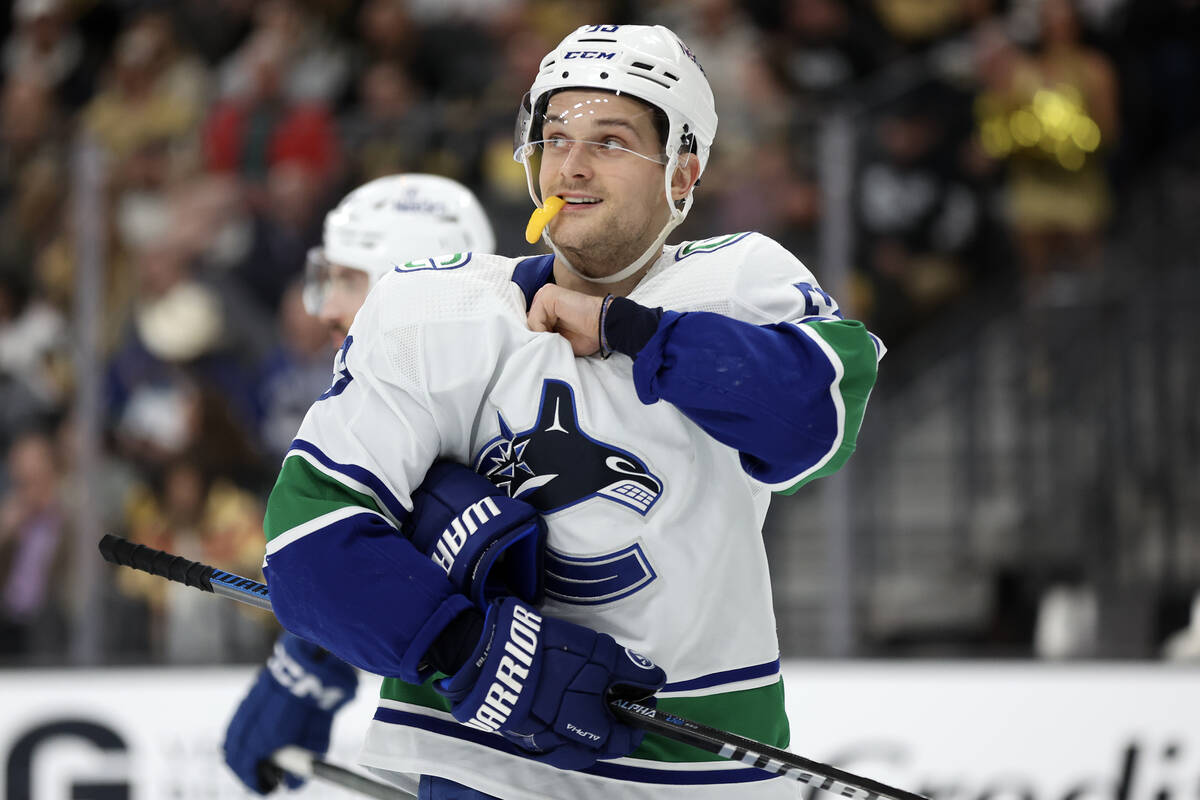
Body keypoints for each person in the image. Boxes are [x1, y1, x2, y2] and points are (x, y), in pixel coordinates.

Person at [261, 24, 884, 800]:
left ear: (683, 170)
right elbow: (306, 538)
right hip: (485, 758)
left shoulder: (740, 283)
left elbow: (811, 426)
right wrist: (470, 649)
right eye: (555, 137)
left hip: (705, 770)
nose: (574, 164)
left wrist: (629, 330)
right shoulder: (434, 309)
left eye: (612, 140)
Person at [221, 173, 496, 795]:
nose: (323, 310)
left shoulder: (514, 404)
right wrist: (310, 659)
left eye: (347, 279)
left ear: (410, 279)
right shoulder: (390, 415)